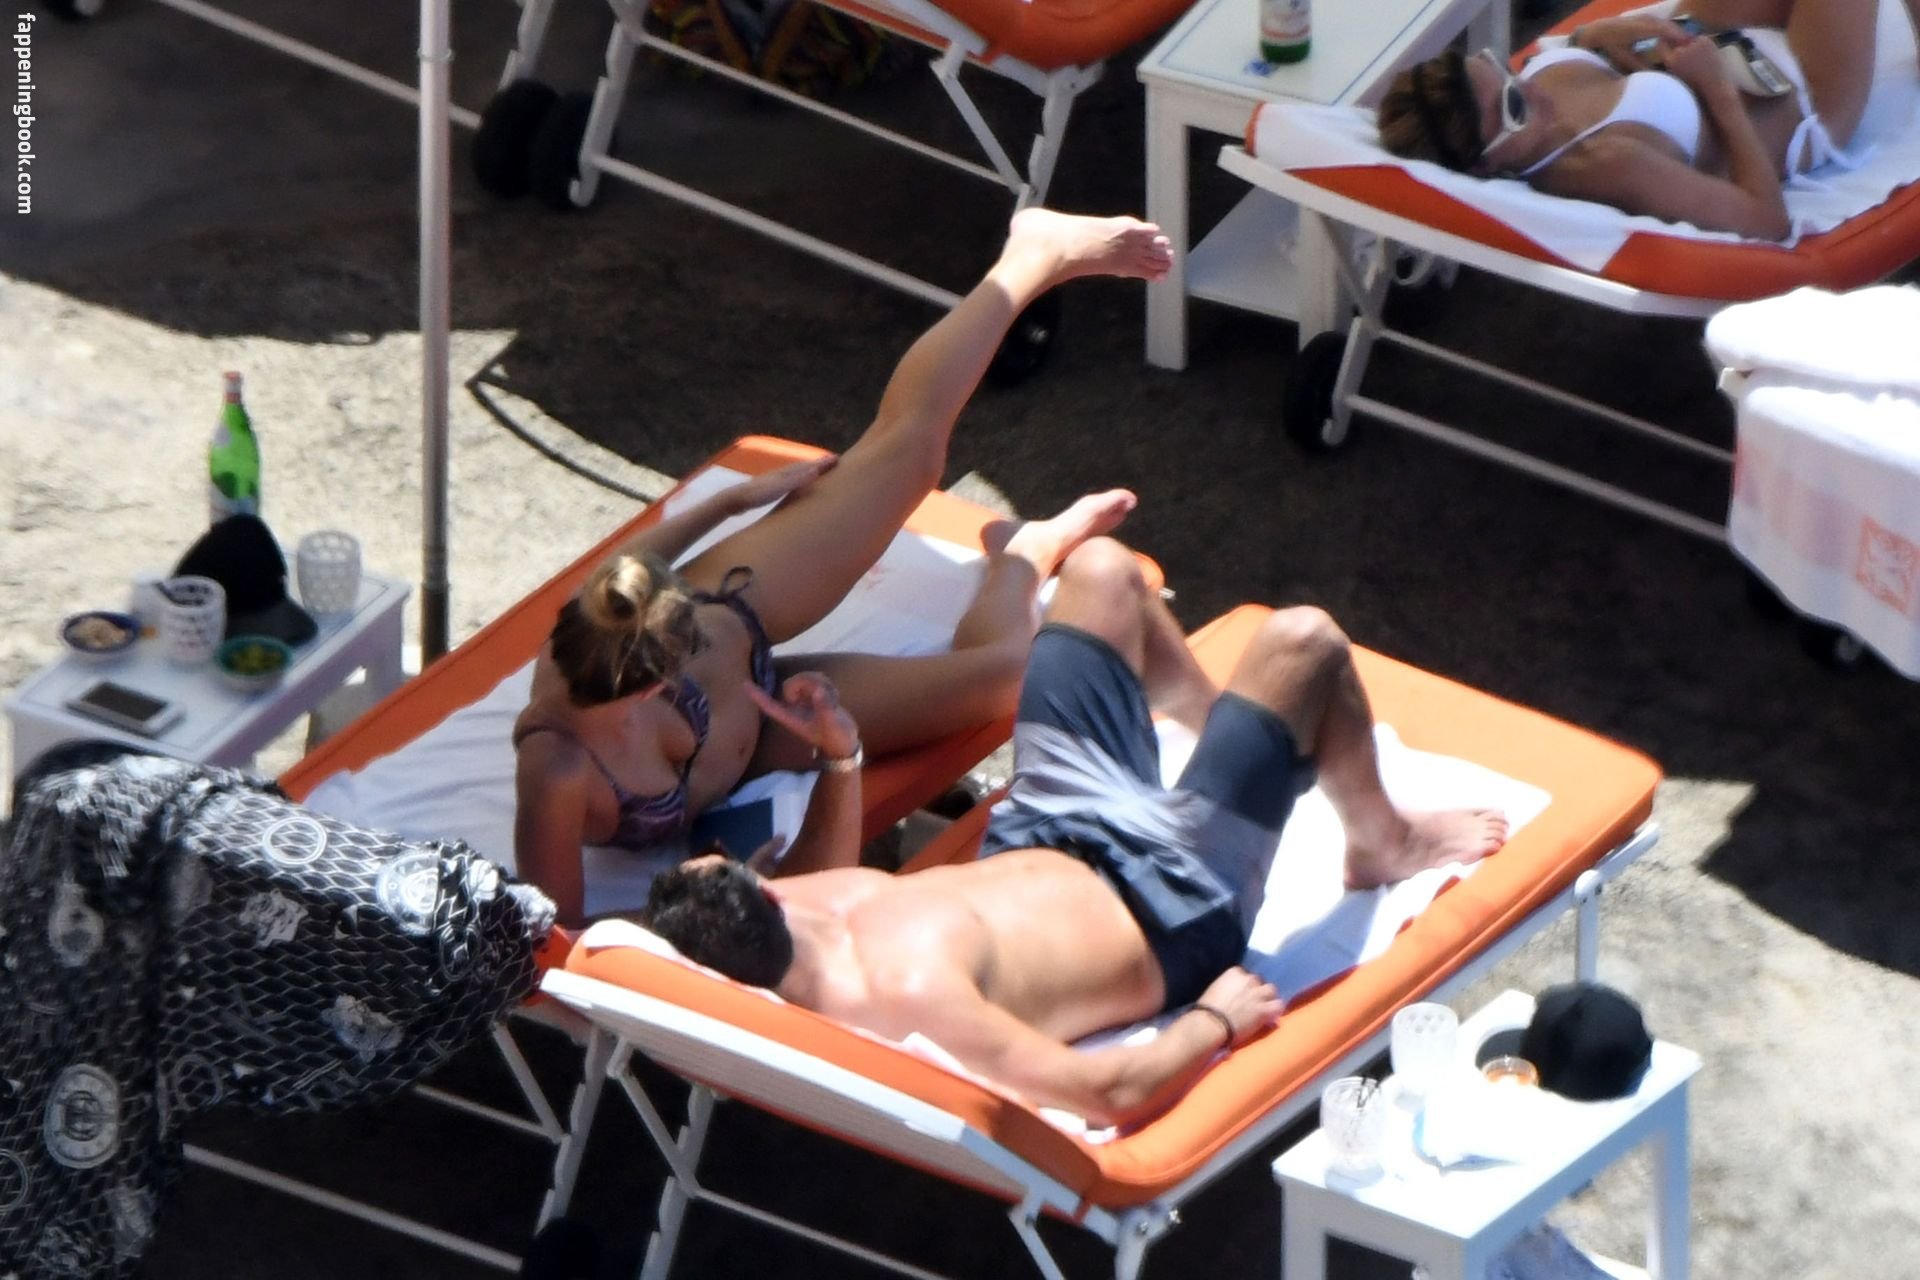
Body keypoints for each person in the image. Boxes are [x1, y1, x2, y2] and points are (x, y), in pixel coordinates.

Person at [639, 539, 1509, 1127]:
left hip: (1047, 823)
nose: (757, 868)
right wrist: (1214, 1021)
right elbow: (1105, 1092)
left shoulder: (781, 922)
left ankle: (1226, 729)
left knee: (1102, 570)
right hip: (1172, 895)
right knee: (1305, 641)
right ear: (756, 904)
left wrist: (839, 753)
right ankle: (1382, 841)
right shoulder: (908, 994)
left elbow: (797, 875)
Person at [514, 209, 1174, 923]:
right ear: (649, 688)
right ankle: (1023, 555)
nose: (688, 667)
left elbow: (631, 569)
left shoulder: (604, 618)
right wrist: (703, 908)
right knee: (1009, 678)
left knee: (911, 454)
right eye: (684, 660)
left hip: (741, 603)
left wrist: (734, 501)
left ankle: (1035, 255)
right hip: (770, 722)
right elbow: (558, 932)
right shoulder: (559, 768)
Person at [1375, 0, 1920, 239]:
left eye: (1505, 71)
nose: (1531, 92)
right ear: (1486, 165)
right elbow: (1766, 220)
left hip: (1716, 43)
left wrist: (1592, 38)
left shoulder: (1527, 108)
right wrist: (1717, 93)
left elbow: (1569, 62)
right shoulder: (1606, 163)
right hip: (1801, 104)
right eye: (1515, 109)